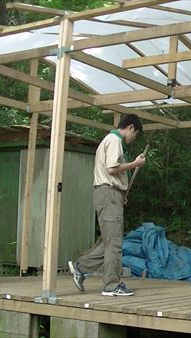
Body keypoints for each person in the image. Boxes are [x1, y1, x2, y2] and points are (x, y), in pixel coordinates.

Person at [68, 114, 146, 296]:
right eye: (135, 134)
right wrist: (135, 164)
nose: (133, 138)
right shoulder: (114, 140)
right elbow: (111, 169)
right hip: (108, 193)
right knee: (114, 244)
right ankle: (112, 285)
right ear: (131, 128)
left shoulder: (110, 140)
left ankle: (80, 267)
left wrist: (120, 194)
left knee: (110, 240)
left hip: (111, 194)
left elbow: (112, 172)